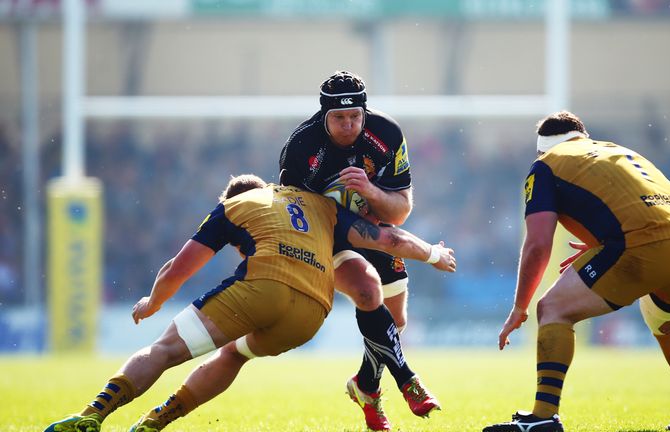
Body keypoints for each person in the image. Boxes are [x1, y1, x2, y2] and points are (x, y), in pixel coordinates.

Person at [43, 174, 456, 432]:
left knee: (165, 350)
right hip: (313, 313)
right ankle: (154, 422)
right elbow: (389, 239)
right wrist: (435, 255)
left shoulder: (235, 206)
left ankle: (93, 415)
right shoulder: (317, 205)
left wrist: (153, 302)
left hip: (264, 289)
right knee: (234, 355)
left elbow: (179, 267)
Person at [483, 111, 670, 432]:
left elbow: (538, 244)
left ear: (542, 149)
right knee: (664, 320)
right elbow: (635, 202)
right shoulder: (615, 150)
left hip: (645, 243)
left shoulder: (545, 164)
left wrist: (519, 307)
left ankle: (542, 417)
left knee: (552, 308)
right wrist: (605, 240)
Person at [279, 70, 438, 431]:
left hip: (375, 228)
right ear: (324, 115)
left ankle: (365, 386)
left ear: (365, 112)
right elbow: (297, 218)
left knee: (395, 324)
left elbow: (400, 210)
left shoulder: (387, 134)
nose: (348, 125)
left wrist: (369, 191)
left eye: (355, 117)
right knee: (368, 292)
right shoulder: (301, 149)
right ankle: (408, 381)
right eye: (338, 118)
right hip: (327, 236)